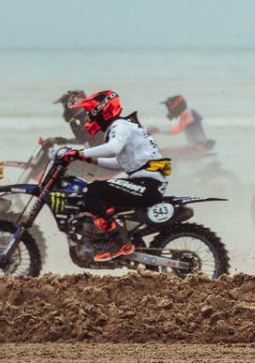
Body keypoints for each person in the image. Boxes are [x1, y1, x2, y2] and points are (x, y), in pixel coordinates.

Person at [55, 90, 171, 262]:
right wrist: (87, 158)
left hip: (148, 185)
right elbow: (119, 163)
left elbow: (112, 149)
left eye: (90, 112)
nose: (89, 117)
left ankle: (119, 243)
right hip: (147, 183)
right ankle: (113, 236)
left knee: (94, 189)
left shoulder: (120, 126)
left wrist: (79, 153)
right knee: (100, 188)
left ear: (102, 110)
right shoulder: (124, 126)